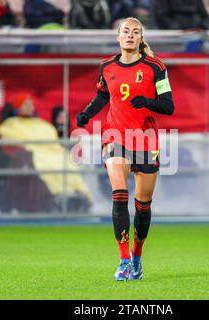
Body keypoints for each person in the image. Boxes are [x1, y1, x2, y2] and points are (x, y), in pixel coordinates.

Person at [76, 17, 174, 281]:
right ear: (118, 37)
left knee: (142, 205)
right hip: (115, 136)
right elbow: (103, 95)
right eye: (126, 31)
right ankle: (123, 262)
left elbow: (168, 106)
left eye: (136, 32)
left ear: (141, 39)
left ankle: (137, 256)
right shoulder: (106, 66)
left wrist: (148, 102)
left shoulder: (156, 67)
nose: (130, 35)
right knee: (119, 194)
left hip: (145, 140)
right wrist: (87, 113)